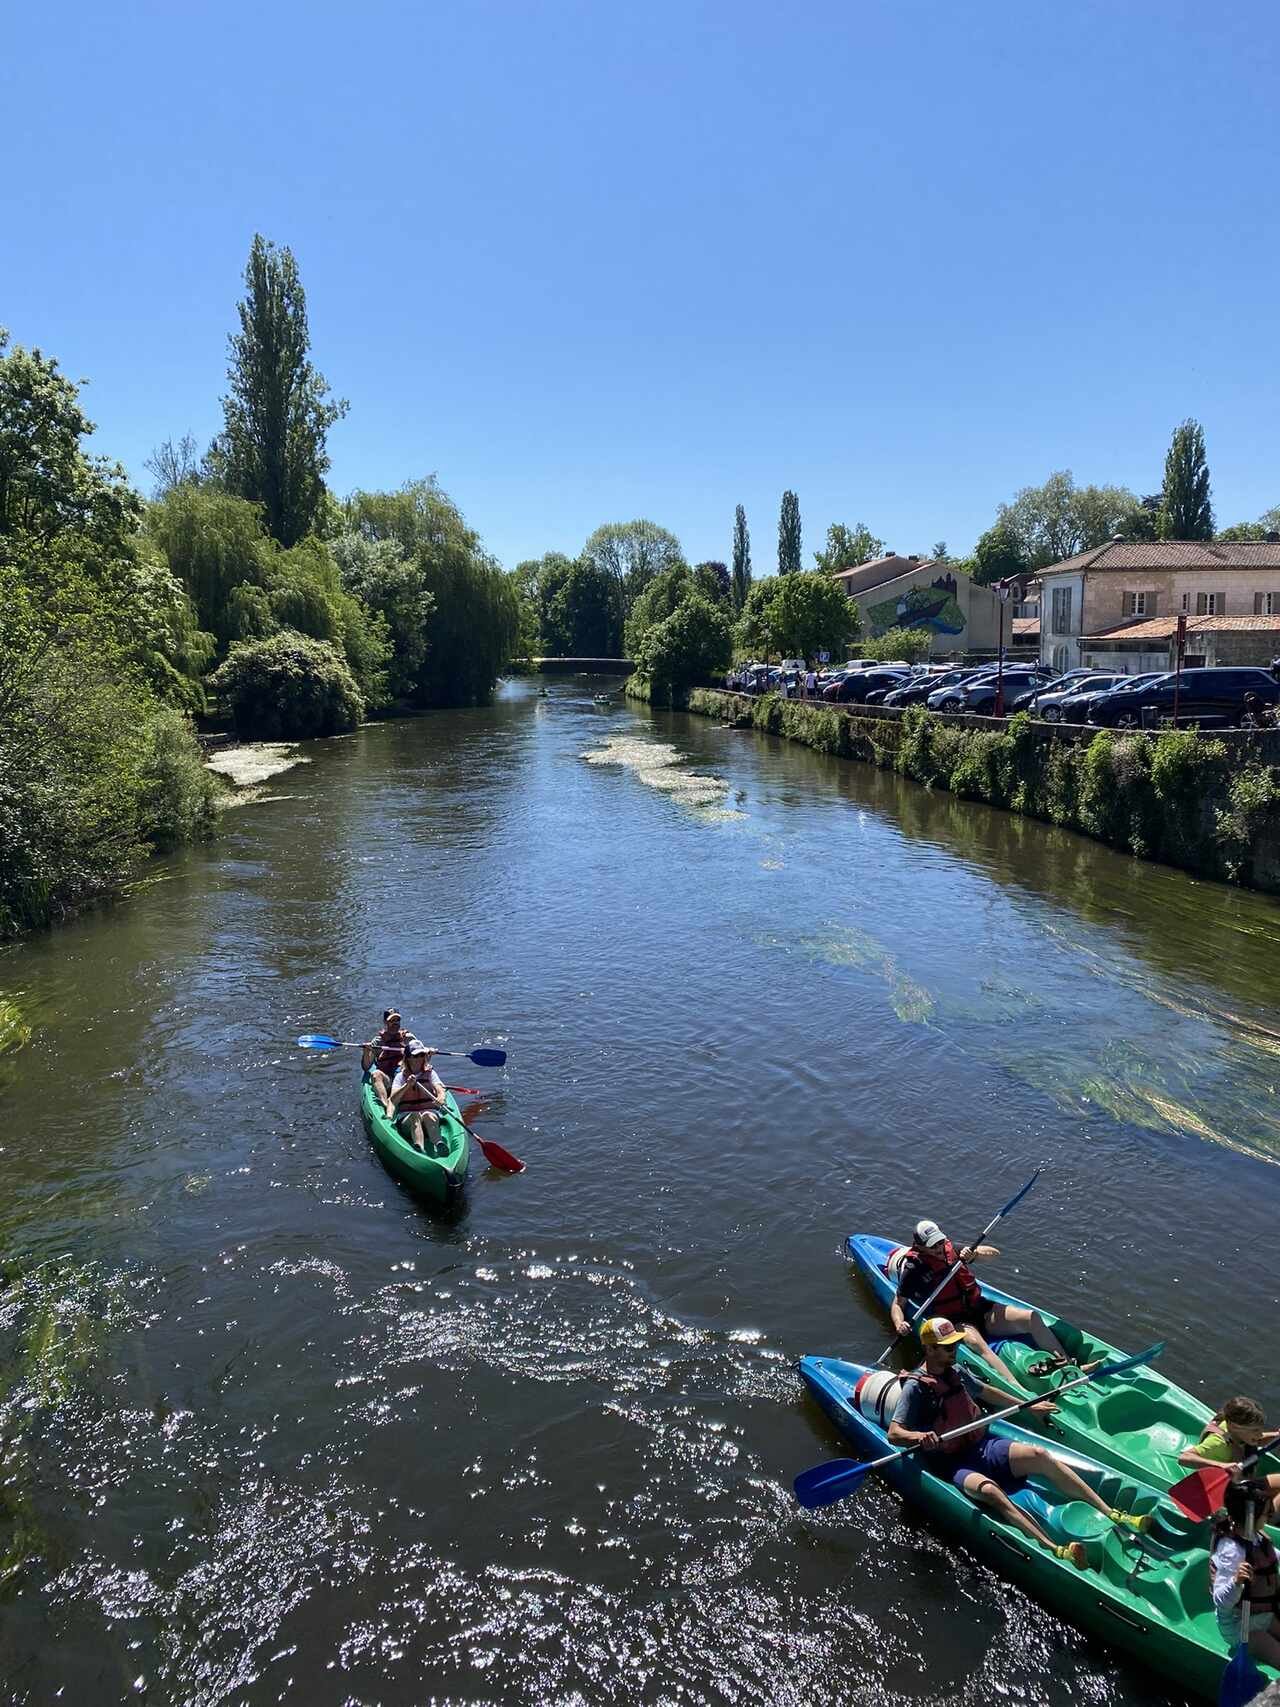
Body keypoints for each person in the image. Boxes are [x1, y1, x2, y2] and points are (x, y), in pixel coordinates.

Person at [887, 1317, 1151, 1568]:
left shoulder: (955, 1370)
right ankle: (1055, 1549)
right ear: (930, 1349)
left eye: (955, 1344)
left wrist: (1028, 1406)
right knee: (990, 1492)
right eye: (947, 1347)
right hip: (952, 1462)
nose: (954, 1349)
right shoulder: (916, 1387)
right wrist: (919, 1437)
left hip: (982, 1446)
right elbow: (895, 1433)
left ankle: (1112, 1512)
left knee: (1040, 1455)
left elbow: (985, 1391)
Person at [890, 1218, 1076, 1384]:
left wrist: (975, 1254)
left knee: (1031, 1317)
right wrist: (900, 1323)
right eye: (932, 1246)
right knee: (978, 1345)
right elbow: (899, 1303)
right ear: (920, 1247)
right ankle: (1016, 1388)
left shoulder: (951, 1250)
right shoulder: (913, 1269)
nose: (938, 1248)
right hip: (955, 1321)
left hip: (980, 1308)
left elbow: (995, 1253)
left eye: (940, 1242)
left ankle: (1067, 1364)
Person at [1209, 1479, 1280, 1668]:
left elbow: (1272, 1557)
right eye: (1266, 1513)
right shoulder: (1231, 1551)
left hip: (1263, 1615)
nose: (1269, 1516)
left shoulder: (1255, 1535)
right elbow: (1220, 1601)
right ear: (1251, 1516)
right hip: (1241, 1627)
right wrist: (1237, 1581)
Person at [1178, 1396, 1280, 1502]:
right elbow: (1184, 1457)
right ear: (1234, 1426)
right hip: (1222, 1487)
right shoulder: (1218, 1443)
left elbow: (1256, 1440)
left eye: (1260, 1429)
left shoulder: (1236, 1430)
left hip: (1239, 1478)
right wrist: (1222, 1465)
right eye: (1255, 1430)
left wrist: (1276, 1435)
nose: (1259, 1434)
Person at [389, 1042, 447, 1152]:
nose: (420, 1058)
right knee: (415, 1116)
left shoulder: (431, 1073)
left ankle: (439, 1143)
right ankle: (419, 1148)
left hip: (428, 1117)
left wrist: (441, 1097)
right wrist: (407, 1086)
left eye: (422, 1055)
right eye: (416, 1056)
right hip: (408, 1120)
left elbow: (440, 1089)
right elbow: (393, 1099)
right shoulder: (400, 1077)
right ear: (408, 1059)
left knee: (428, 1115)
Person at [360, 1010, 414, 1115]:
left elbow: (420, 1057)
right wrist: (366, 1051)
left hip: (405, 1078)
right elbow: (366, 1067)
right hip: (388, 1079)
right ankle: (385, 1104)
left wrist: (427, 1052)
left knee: (406, 1067)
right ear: (385, 1022)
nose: (395, 1023)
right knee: (376, 1074)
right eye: (392, 1021)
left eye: (397, 1020)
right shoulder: (378, 1042)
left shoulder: (408, 1038)